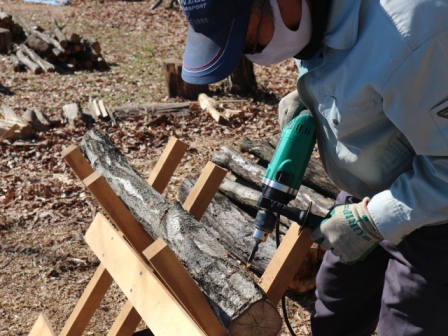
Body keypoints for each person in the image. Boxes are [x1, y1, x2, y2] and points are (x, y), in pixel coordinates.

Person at [179, 0, 448, 335]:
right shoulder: (313, 15)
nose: (251, 56)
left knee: (409, 324)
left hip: (436, 213)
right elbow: (355, 67)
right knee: (334, 312)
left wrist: (374, 220)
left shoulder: (413, 38)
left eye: (248, 43)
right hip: (372, 184)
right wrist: (313, 99)